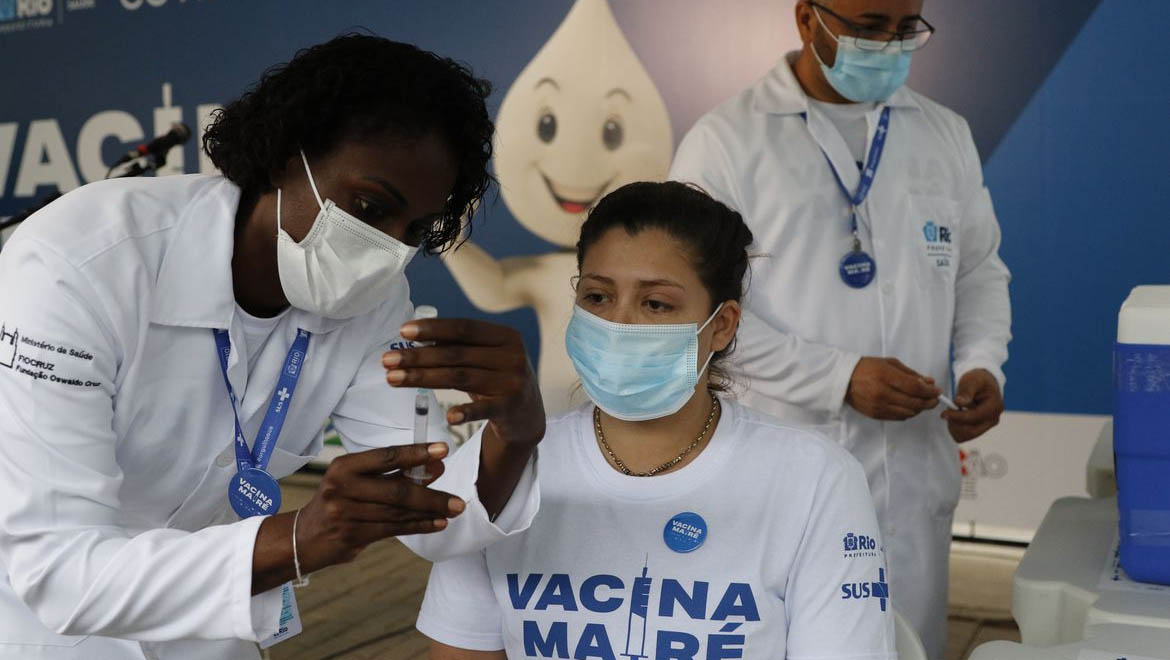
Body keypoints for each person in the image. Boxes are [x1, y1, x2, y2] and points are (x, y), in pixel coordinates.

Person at [0, 35, 545, 660]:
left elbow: (430, 515)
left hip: (201, 627)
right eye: (369, 207)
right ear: (288, 154)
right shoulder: (80, 263)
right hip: (35, 627)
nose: (388, 249)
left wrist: (516, 430)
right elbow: (60, 573)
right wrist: (294, 539)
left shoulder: (371, 298)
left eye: (414, 231)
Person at [416, 181, 895, 660]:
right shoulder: (502, 466)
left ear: (722, 325)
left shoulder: (813, 479)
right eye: (598, 297)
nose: (619, 323)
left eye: (656, 304)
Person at [668, 1, 1012, 657]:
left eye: (904, 28)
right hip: (781, 470)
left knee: (907, 644)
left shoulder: (944, 134)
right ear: (806, 19)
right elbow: (697, 309)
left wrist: (981, 364)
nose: (888, 45)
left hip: (912, 468)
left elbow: (978, 271)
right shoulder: (726, 142)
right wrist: (839, 376)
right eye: (868, 26)